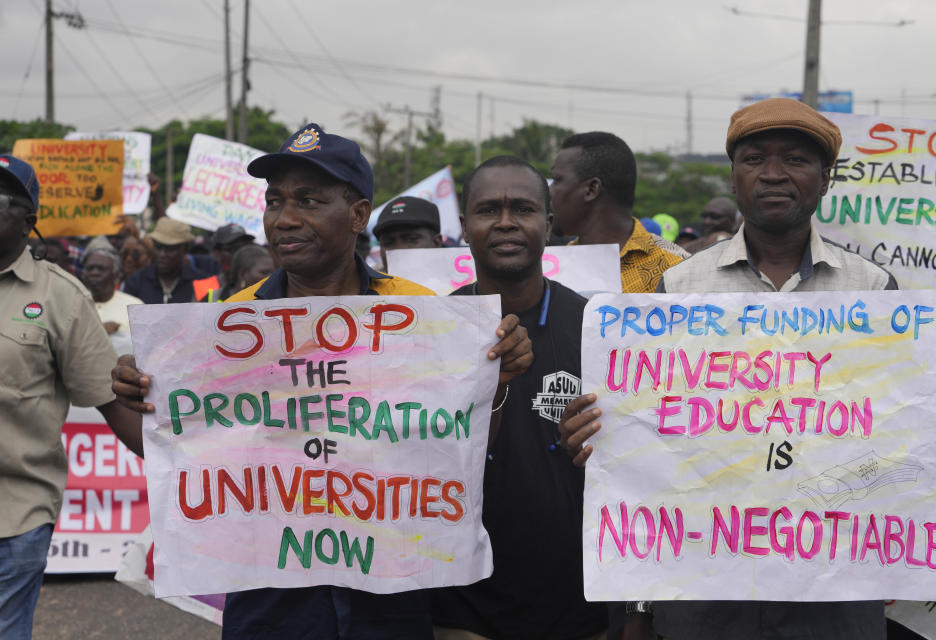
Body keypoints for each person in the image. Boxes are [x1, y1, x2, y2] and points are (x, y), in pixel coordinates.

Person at [558, 97, 936, 639]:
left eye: (795, 159)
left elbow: (895, 429)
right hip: (704, 584)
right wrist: (599, 435)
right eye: (754, 159)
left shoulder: (873, 290)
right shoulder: (678, 288)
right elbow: (648, 450)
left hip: (833, 587)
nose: (773, 174)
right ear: (732, 178)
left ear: (825, 178)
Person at [110, 125, 532, 640]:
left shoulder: (421, 315)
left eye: (308, 200)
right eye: (275, 201)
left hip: (390, 596)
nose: (284, 218)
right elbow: (191, 450)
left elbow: (461, 446)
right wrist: (142, 393)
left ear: (357, 215)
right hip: (270, 602)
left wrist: (497, 380)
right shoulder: (226, 325)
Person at [431, 156, 606, 640]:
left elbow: (637, 465)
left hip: (577, 605)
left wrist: (596, 448)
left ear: (548, 225)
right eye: (488, 210)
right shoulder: (429, 331)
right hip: (459, 608)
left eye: (522, 209)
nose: (506, 222)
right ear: (465, 227)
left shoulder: (598, 328)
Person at [0, 154, 142, 639]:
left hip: (13, 518)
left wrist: (196, 465)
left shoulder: (62, 298)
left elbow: (113, 402)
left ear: (28, 219)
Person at [549, 132, 688, 293]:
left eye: (557, 180)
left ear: (591, 189)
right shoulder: (551, 269)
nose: (549, 191)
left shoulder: (678, 270)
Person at [121, 217, 219, 304]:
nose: (162, 254)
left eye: (170, 249)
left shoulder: (204, 281)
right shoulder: (136, 281)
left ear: (184, 249)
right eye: (158, 247)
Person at [79, 246, 144, 355]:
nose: (95, 273)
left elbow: (144, 348)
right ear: (83, 275)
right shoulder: (72, 304)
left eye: (101, 268)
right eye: (90, 268)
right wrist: (101, 331)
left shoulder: (135, 305)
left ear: (116, 276)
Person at [372, 196, 443, 272]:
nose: (398, 250)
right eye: (387, 243)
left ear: (436, 243)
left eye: (411, 239)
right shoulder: (367, 283)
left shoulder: (454, 280)